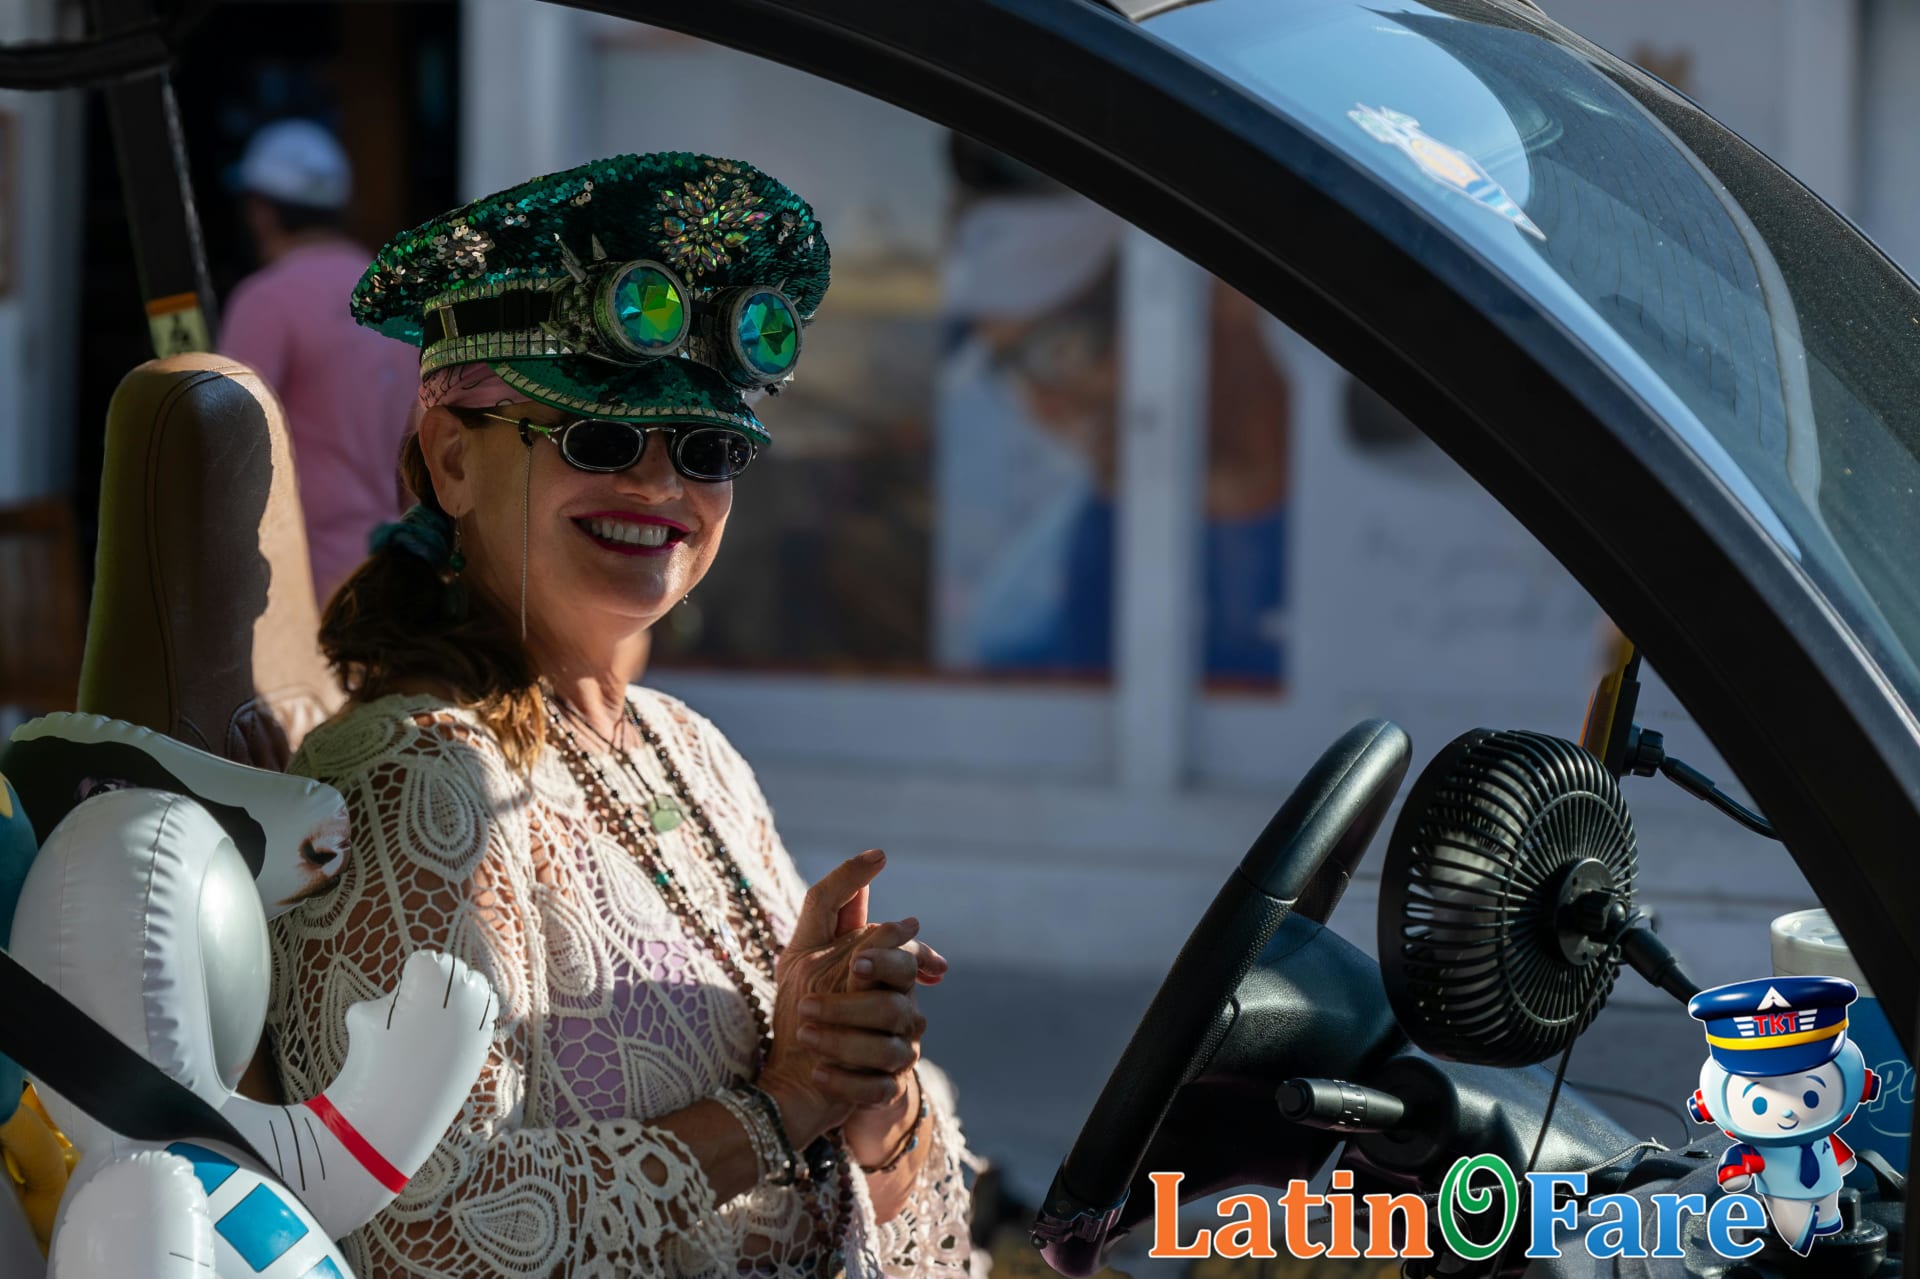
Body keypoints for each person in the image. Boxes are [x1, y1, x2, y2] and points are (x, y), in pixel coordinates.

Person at [264, 153, 973, 1278]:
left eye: (706, 450)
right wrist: (780, 1105)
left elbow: (895, 1205)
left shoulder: (690, 746)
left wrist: (863, 1087)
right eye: (597, 439)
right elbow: (418, 1232)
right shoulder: (416, 777)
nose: (659, 487)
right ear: (454, 460)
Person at [218, 119, 421, 604]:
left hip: (295, 583)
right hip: (390, 575)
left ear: (261, 212)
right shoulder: (397, 302)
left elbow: (226, 446)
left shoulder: (266, 301)